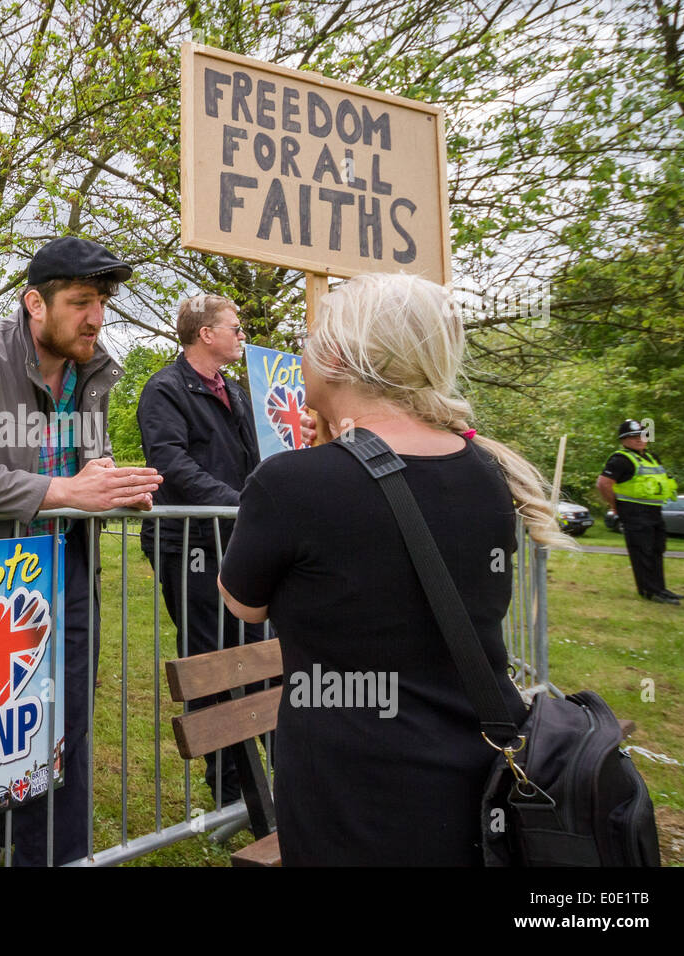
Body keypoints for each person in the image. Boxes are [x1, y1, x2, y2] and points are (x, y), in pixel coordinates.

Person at [216, 272, 572, 866]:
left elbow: (242, 602)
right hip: (474, 780)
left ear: (333, 355)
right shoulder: (487, 469)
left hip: (352, 796)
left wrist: (326, 454)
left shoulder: (291, 485)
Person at [0, 236, 162, 866]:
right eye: (82, 302)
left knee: (69, 720)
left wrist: (110, 487)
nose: (96, 318)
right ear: (35, 303)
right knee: (9, 726)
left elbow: (83, 464)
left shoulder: (96, 368)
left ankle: (16, 844)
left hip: (69, 565)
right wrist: (64, 490)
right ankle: (17, 842)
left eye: (102, 302)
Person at [137, 294, 262, 802]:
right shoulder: (165, 390)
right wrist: (241, 504)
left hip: (238, 539)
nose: (241, 334)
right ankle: (228, 790)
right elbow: (174, 465)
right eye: (234, 326)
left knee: (255, 654)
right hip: (189, 544)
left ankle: (260, 776)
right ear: (205, 333)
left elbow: (257, 457)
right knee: (211, 659)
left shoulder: (237, 393)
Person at [597, 420, 681, 604]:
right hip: (634, 512)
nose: (639, 440)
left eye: (642, 436)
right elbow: (603, 484)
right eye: (633, 437)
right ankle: (649, 591)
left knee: (657, 550)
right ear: (623, 440)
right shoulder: (620, 459)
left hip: (654, 512)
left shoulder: (652, 457)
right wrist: (615, 505)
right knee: (642, 551)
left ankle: (660, 588)